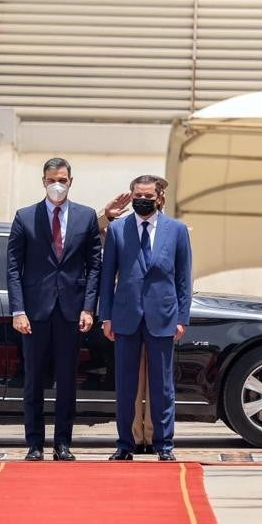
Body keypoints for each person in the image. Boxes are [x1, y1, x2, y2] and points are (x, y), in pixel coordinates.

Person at [6, 157, 102, 462]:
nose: (56, 185)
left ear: (70, 181)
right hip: (35, 313)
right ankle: (34, 444)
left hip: (71, 313)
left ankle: (63, 443)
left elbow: (95, 266)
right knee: (33, 380)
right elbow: (12, 267)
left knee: (66, 380)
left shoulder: (85, 217)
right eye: (51, 180)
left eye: (62, 179)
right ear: (43, 181)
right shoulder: (25, 217)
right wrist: (18, 310)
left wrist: (89, 308)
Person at [100, 175, 192, 462]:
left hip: (163, 317)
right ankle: (125, 444)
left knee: (162, 386)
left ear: (159, 198)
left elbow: (183, 278)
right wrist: (106, 316)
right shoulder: (118, 229)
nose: (143, 200)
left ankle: (164, 445)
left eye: (148, 197)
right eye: (138, 195)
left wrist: (181, 317)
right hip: (125, 317)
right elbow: (107, 276)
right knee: (126, 385)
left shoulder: (176, 230)